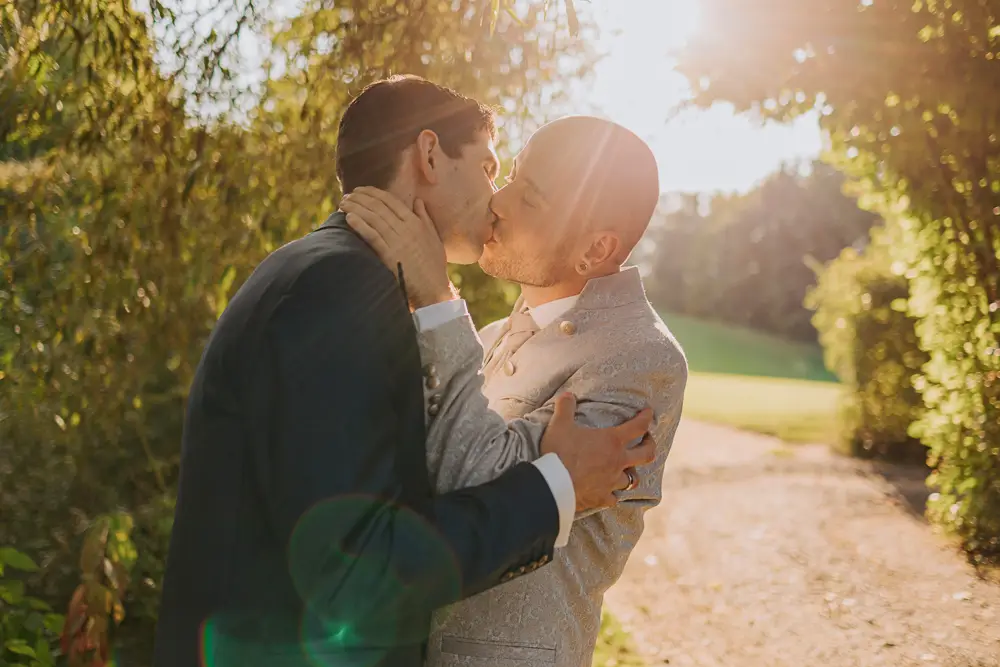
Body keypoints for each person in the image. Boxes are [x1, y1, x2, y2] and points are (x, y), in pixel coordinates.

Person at [152, 78, 656, 667]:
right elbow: (357, 569)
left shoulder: (338, 275)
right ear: (430, 156)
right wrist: (555, 488)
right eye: (490, 168)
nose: (496, 199)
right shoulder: (338, 289)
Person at [342, 115, 688, 666]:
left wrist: (435, 297)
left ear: (595, 249)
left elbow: (477, 483)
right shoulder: (488, 337)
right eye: (511, 178)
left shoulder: (643, 359)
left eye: (529, 196)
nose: (497, 202)